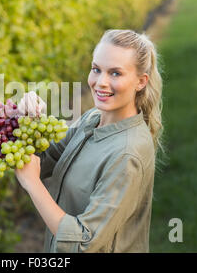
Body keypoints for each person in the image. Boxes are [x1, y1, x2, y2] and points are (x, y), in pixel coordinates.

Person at [15, 29, 163, 252]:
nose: (101, 82)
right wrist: (27, 121)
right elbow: (46, 159)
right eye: (96, 70)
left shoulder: (126, 154)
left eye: (115, 73)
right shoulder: (93, 119)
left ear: (141, 82)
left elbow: (84, 243)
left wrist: (33, 185)